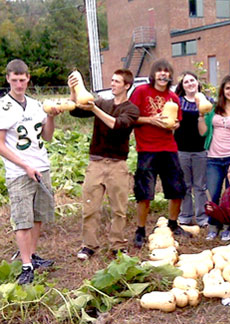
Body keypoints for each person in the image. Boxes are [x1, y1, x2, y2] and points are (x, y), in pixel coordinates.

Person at [68, 69, 140, 260]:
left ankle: (118, 245)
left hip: (118, 165)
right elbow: (75, 111)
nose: (113, 84)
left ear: (127, 85)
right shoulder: (101, 103)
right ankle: (88, 245)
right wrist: (73, 91)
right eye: (112, 80)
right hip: (96, 163)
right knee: (90, 207)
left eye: (117, 81)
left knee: (119, 208)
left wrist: (95, 110)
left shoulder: (131, 109)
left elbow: (117, 125)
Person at [0, 59, 58, 284]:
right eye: (14, 80)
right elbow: (1, 144)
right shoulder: (4, 106)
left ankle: (32, 256)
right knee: (22, 219)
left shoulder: (35, 105)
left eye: (22, 80)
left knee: (38, 215)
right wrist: (24, 165)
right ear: (8, 79)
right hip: (19, 171)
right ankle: (26, 265)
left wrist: (51, 117)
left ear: (28, 79)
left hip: (41, 166)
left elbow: (47, 136)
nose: (19, 84)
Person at [129, 58, 190, 248]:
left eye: (167, 72)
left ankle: (173, 224)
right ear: (154, 74)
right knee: (144, 192)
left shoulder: (174, 97)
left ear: (170, 76)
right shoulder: (141, 92)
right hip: (147, 149)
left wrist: (175, 124)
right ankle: (140, 230)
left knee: (177, 188)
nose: (163, 74)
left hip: (169, 148)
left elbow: (177, 121)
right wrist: (150, 120)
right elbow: (130, 117)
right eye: (159, 71)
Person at [198, 74, 230, 241]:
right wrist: (200, 116)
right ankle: (214, 226)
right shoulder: (213, 110)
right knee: (213, 194)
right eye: (228, 88)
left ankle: (228, 227)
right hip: (213, 158)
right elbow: (203, 132)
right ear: (223, 91)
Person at [174, 71, 213, 227]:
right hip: (182, 149)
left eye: (192, 80)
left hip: (200, 150)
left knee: (200, 186)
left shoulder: (208, 102)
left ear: (197, 82)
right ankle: (186, 216)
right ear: (182, 86)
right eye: (186, 82)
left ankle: (202, 217)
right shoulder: (177, 102)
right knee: (185, 185)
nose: (190, 83)